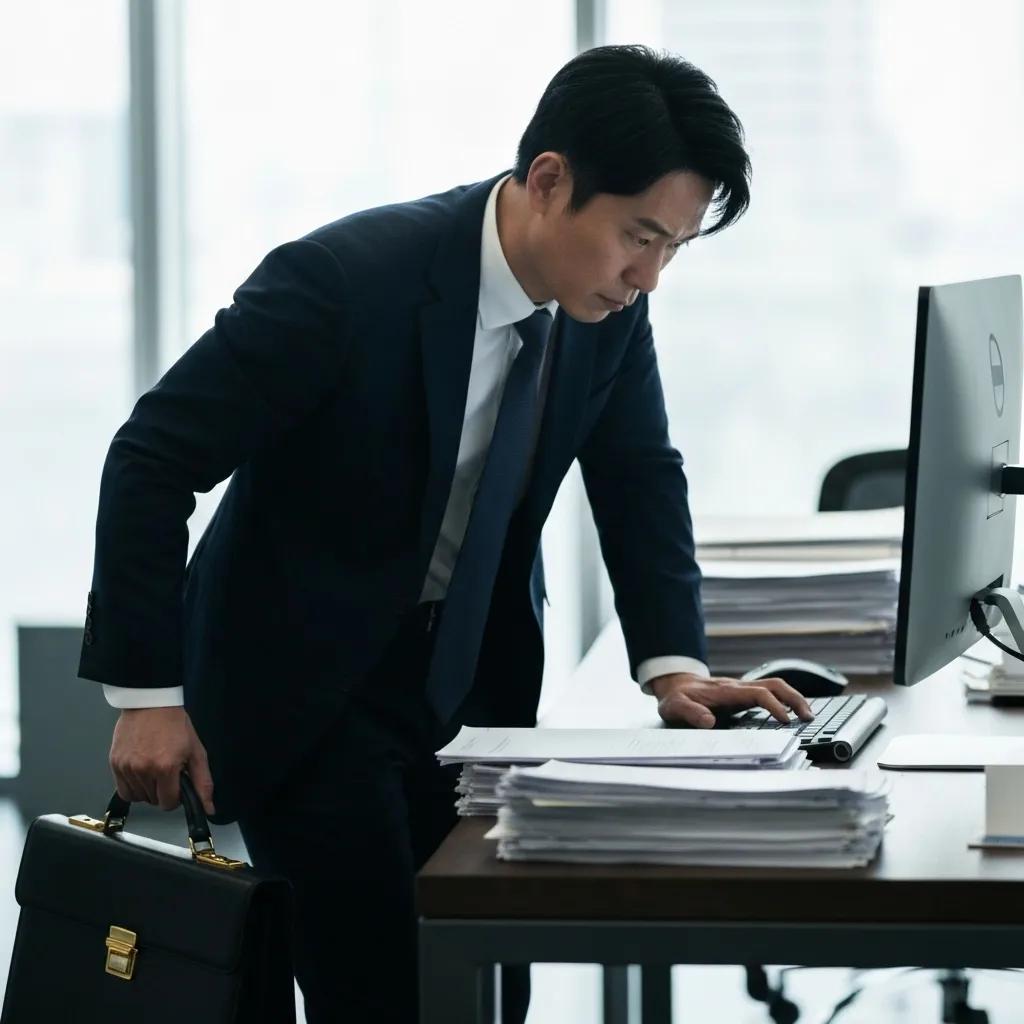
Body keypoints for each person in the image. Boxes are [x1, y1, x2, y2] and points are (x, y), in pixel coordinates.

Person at [79, 44, 812, 1024]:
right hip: (307, 692)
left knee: (483, 980)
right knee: (387, 991)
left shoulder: (603, 311)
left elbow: (638, 476)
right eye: (639, 236)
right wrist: (149, 694)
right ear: (549, 181)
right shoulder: (343, 282)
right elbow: (152, 456)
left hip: (467, 686)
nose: (650, 276)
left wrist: (671, 666)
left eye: (674, 247)